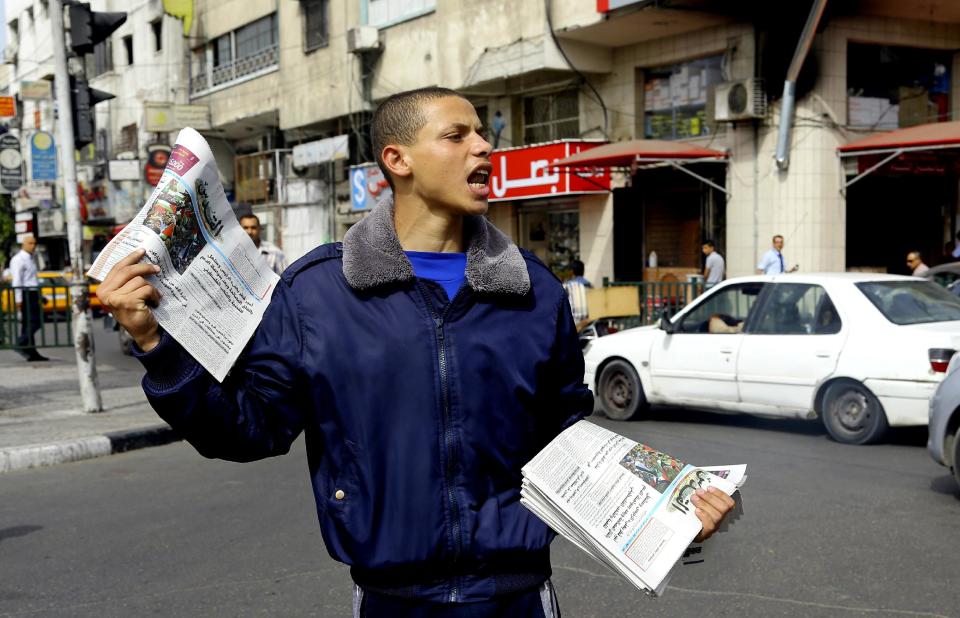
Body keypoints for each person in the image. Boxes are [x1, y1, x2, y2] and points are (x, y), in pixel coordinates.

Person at [98, 87, 735, 617]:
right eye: (457, 136)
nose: (484, 146)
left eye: (483, 134)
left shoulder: (533, 290)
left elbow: (568, 441)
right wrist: (156, 346)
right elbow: (249, 429)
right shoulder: (318, 292)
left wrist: (672, 515)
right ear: (397, 160)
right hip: (390, 601)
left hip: (518, 599)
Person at [10, 235, 48, 362]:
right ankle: (21, 343)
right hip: (25, 293)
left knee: (28, 325)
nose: (33, 246)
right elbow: (17, 281)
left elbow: (32, 279)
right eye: (30, 243)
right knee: (34, 322)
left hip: (33, 293)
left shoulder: (31, 258)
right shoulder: (18, 259)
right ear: (23, 244)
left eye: (34, 243)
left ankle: (31, 352)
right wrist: (18, 299)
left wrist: (40, 296)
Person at [563, 259, 592, 324]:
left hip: (574, 323)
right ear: (583, 271)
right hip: (589, 322)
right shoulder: (590, 286)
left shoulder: (567, 286)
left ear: (571, 271)